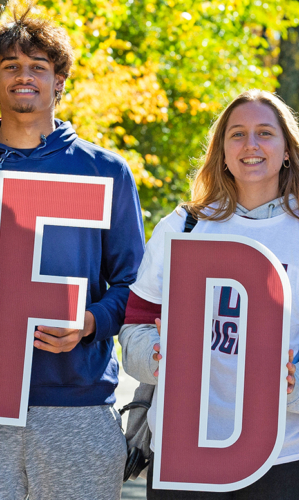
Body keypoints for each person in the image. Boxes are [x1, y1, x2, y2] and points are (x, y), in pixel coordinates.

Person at [119, 89, 299, 499]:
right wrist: (158, 357)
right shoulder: (182, 227)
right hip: (183, 449)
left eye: (265, 133)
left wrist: (294, 385)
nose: (251, 145)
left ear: (287, 151)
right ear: (221, 152)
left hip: (282, 459)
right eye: (237, 134)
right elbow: (134, 330)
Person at [0, 5, 145, 500]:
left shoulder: (104, 172)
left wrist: (89, 322)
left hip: (76, 406)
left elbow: (138, 288)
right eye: (10, 66)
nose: (24, 76)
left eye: (38, 65)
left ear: (59, 80)